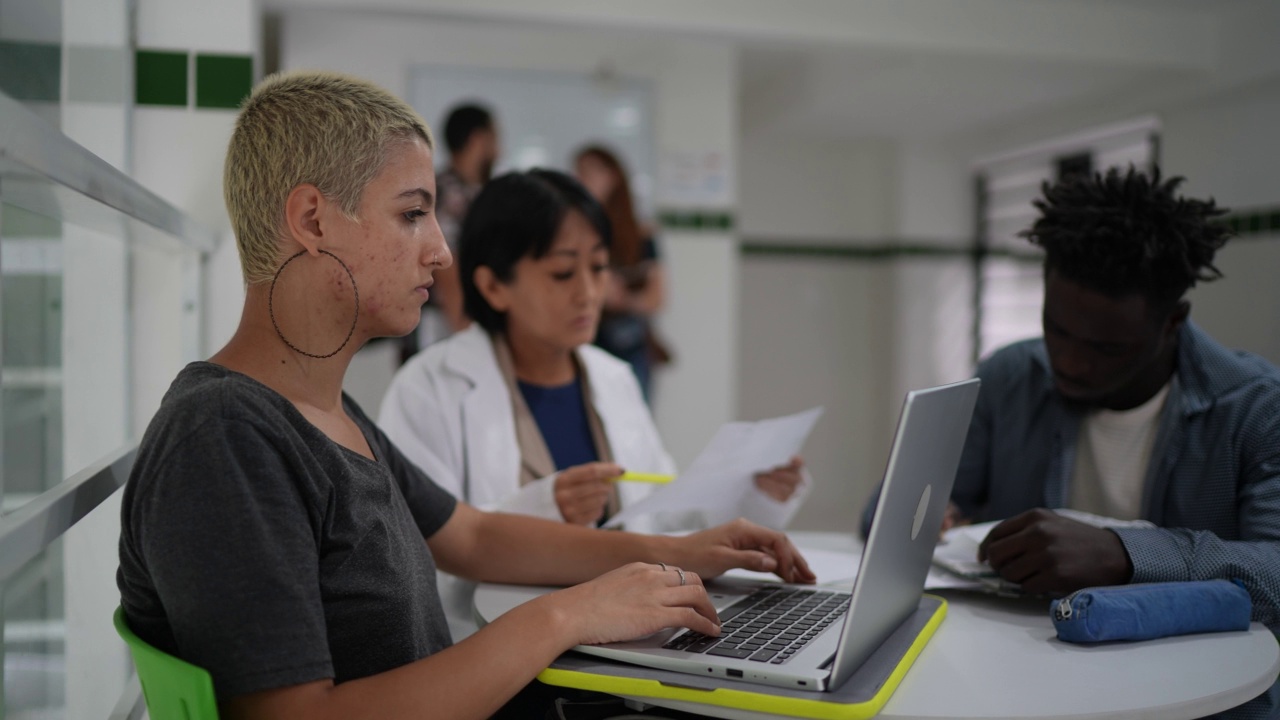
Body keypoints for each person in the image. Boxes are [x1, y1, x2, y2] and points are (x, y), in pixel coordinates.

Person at [116, 71, 814, 720]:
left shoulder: (328, 411)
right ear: (313, 220)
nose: (441, 252)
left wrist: (679, 551)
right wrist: (567, 616)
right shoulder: (224, 436)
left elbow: (474, 536)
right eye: (413, 214)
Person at [866, 167, 1280, 718]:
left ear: (1172, 321)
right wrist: (928, 514)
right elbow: (883, 513)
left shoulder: (1256, 407)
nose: (1071, 362)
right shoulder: (1010, 375)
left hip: (1202, 695)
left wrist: (1123, 555)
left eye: (1108, 348)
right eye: (1056, 329)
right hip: (1026, 682)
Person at [399, 102, 499, 361]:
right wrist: (464, 329)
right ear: (480, 139)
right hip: (442, 323)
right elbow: (445, 266)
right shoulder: (447, 191)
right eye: (495, 137)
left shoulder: (476, 191)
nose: (499, 147)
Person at [573, 145, 669, 400]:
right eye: (578, 172)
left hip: (629, 346)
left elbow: (656, 298)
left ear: (613, 176)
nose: (582, 180)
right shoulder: (572, 232)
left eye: (589, 172)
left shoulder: (640, 234)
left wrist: (621, 298)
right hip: (583, 344)